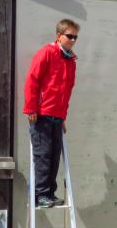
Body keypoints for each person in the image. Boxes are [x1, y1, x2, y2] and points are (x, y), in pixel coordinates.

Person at [23, 18, 80, 208]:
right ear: (59, 35)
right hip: (42, 114)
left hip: (56, 116)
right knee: (43, 154)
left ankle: (50, 193)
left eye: (75, 37)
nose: (72, 40)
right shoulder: (46, 53)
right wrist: (31, 108)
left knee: (55, 155)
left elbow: (66, 92)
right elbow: (32, 80)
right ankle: (40, 195)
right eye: (69, 36)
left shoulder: (70, 61)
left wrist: (63, 116)